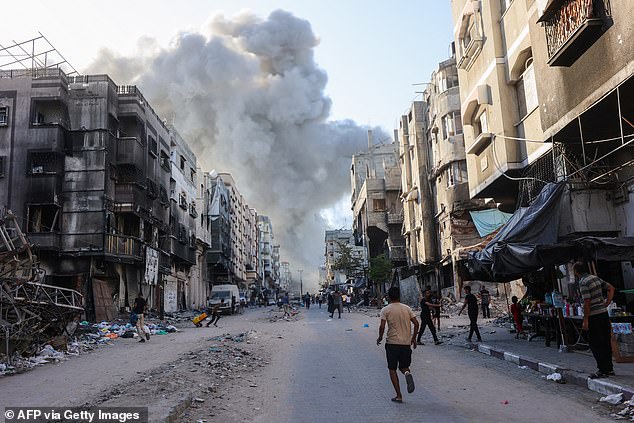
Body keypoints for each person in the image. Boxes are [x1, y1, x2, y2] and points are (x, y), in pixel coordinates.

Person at [376, 287, 419, 403]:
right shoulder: (407, 308)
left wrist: (380, 337)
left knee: (392, 368)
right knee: (404, 366)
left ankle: (399, 395)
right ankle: (407, 373)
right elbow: (416, 323)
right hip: (405, 343)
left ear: (388, 297)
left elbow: (382, 327)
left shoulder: (386, 310)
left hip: (392, 343)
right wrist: (414, 338)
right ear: (399, 296)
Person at [574, 261, 616, 379]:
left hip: (593, 316)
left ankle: (602, 369)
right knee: (605, 341)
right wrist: (607, 302)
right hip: (603, 313)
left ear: (576, 271)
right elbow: (611, 288)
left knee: (596, 343)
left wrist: (586, 319)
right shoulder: (595, 278)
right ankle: (609, 368)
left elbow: (587, 302)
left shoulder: (583, 283)